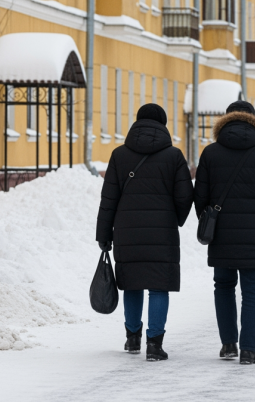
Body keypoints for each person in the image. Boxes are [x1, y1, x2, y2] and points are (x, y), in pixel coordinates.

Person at [193, 100, 255, 365]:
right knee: (251, 293)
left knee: (223, 288)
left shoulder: (210, 153)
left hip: (221, 236)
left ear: (225, 122)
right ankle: (248, 349)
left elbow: (199, 197)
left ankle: (228, 345)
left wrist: (209, 221)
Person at [95, 103, 194, 361]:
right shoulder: (174, 156)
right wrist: (175, 220)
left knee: (132, 283)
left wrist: (104, 234)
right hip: (162, 232)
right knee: (159, 287)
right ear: (163, 125)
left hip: (127, 232)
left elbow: (109, 199)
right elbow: (185, 197)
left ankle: (132, 338)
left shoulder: (119, 155)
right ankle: (154, 344)